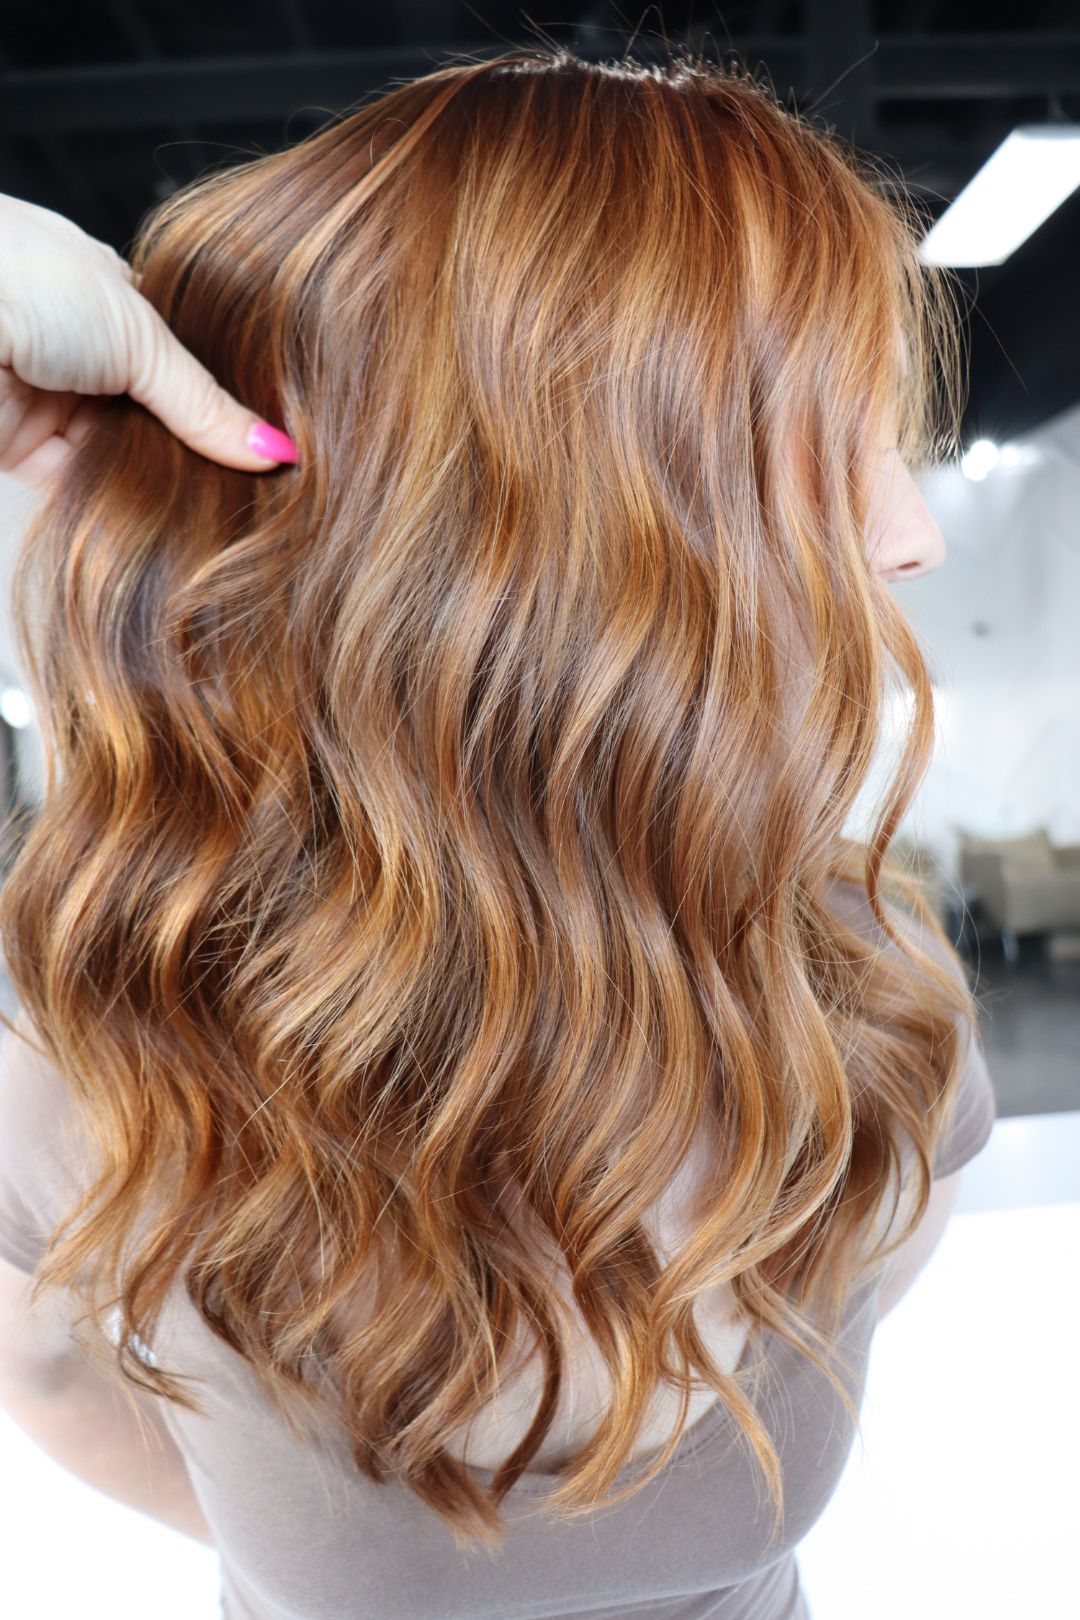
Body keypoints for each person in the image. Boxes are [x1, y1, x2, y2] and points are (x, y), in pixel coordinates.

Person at [0, 45, 994, 1620]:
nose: (912, 535)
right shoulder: (94, 1023)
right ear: (533, 526)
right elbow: (45, 1379)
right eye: (817, 445)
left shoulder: (866, 991)